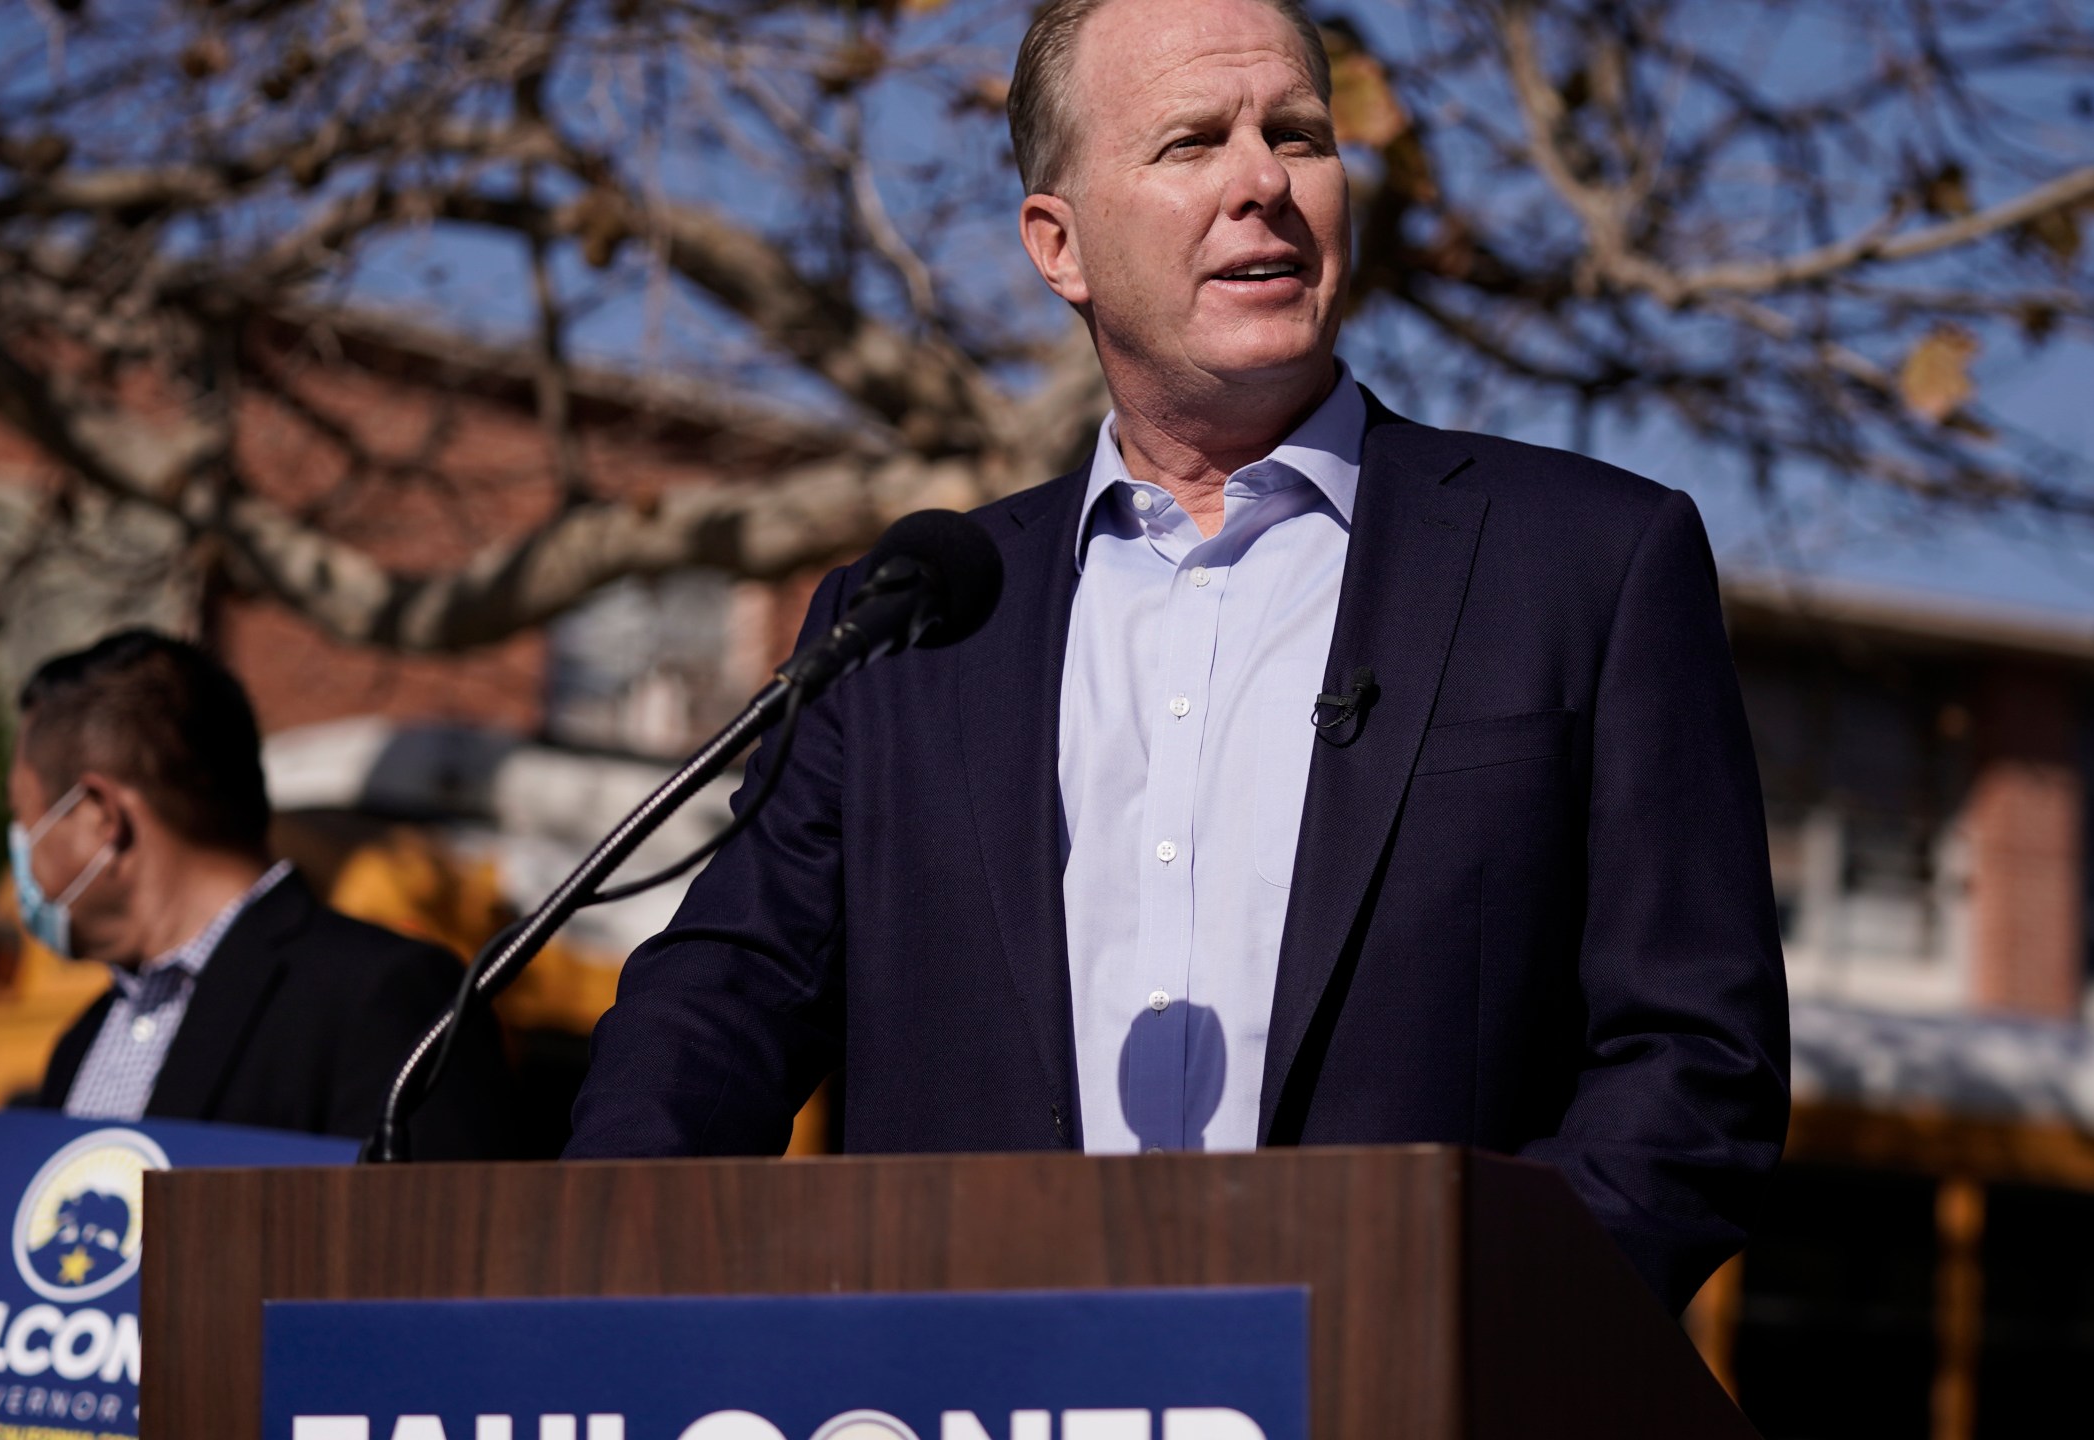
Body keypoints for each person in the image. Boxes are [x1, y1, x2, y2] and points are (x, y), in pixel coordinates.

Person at [566, 0, 1790, 1311]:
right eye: (1191, 143)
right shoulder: (906, 623)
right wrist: (592, 1281)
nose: (1263, 181)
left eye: (1301, 135)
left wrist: (1474, 1332)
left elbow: (1692, 1065)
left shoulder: (1589, 566)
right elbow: (724, 1006)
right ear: (1061, 242)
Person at [0, 629, 515, 1379]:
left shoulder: (388, 994)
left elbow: (436, 1321)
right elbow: (39, 1307)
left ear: (102, 817)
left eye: (24, 819)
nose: (20, 857)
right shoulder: (81, 1041)